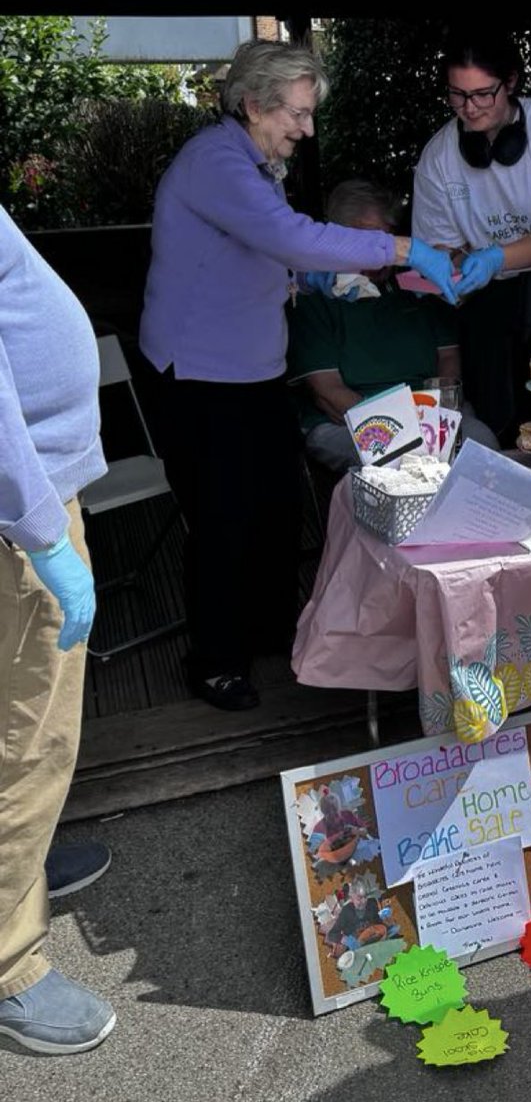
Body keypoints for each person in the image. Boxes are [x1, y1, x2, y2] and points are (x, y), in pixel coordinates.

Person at [139, 39, 457, 712]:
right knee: (223, 519)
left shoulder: (253, 162)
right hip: (198, 376)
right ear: (253, 104)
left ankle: (266, 632)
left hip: (253, 372)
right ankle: (216, 658)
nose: (306, 130)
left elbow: (266, 252)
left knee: (277, 511)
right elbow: (287, 236)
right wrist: (402, 247)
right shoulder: (216, 163)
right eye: (299, 114)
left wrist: (310, 277)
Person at [0, 203, 116, 1054]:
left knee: (17, 726)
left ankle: (21, 877)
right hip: (18, 513)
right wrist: (41, 527)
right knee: (30, 742)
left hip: (24, 498)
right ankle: (10, 966)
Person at [412, 27, 531, 446]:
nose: (469, 108)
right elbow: (439, 244)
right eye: (457, 95)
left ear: (510, 82)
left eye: (482, 94)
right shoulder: (439, 155)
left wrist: (496, 255)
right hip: (485, 304)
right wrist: (456, 264)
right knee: (497, 420)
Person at [287, 179, 500, 472]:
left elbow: (448, 360)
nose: (382, 249)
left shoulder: (417, 285)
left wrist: (432, 418)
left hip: (430, 414)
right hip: (353, 421)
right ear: (339, 238)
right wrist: (399, 427)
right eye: (369, 240)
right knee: (402, 466)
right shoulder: (317, 296)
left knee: (483, 446)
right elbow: (328, 393)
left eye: (387, 237)